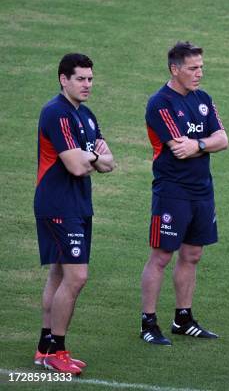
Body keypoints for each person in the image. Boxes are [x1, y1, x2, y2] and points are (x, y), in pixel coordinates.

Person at [140, 41, 228, 345]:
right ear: (174, 69)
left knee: (192, 254)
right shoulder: (160, 103)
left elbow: (223, 138)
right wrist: (202, 142)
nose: (199, 73)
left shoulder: (203, 99)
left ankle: (183, 318)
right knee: (162, 255)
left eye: (201, 66)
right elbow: (179, 148)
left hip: (202, 190)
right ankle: (148, 322)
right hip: (172, 192)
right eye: (193, 67)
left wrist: (200, 144)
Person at [34, 53, 115, 375]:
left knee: (59, 274)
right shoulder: (56, 113)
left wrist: (91, 157)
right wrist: (94, 156)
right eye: (80, 78)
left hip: (78, 205)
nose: (87, 85)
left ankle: (44, 348)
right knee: (77, 276)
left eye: (90, 79)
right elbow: (77, 165)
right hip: (57, 205)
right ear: (63, 79)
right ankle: (58, 350)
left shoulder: (88, 115)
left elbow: (110, 164)